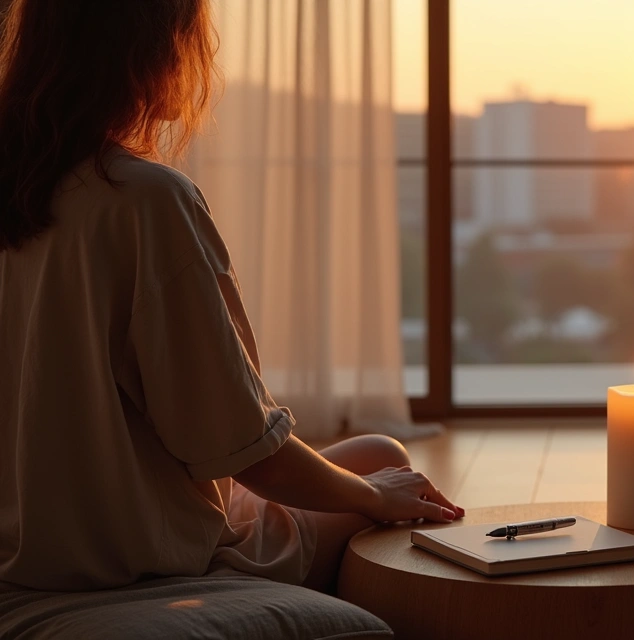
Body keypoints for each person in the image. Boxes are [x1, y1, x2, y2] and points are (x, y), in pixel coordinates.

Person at [0, 0, 461, 593]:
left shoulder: (22, 186)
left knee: (372, 454)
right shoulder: (145, 201)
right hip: (131, 554)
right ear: (155, 51)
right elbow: (248, 452)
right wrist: (373, 496)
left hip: (21, 540)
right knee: (383, 460)